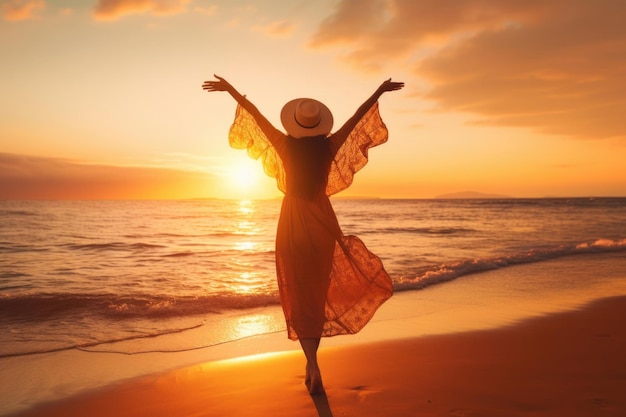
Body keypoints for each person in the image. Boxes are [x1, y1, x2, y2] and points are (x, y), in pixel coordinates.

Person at [202, 75, 404, 395]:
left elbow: (255, 115)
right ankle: (313, 364)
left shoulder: (284, 145)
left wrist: (230, 91)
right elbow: (357, 119)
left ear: (295, 125)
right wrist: (379, 91)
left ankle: (311, 364)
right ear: (320, 126)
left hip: (293, 222)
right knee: (316, 293)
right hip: (321, 221)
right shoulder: (330, 145)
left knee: (298, 294)